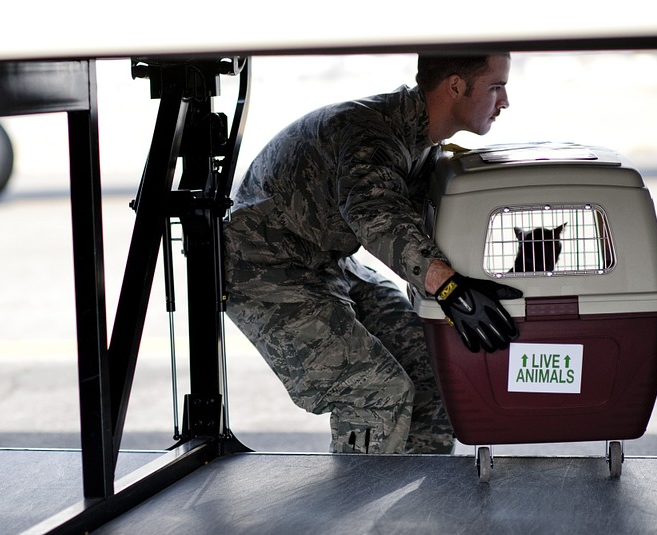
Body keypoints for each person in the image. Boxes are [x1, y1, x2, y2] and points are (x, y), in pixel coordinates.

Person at [222, 53, 522, 455]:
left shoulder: (421, 141)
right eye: (496, 86)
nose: (505, 102)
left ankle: (417, 508)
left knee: (432, 367)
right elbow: (376, 217)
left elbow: (429, 225)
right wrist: (451, 291)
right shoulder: (372, 134)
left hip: (324, 260)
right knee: (374, 390)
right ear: (455, 86)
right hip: (263, 268)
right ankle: (354, 510)